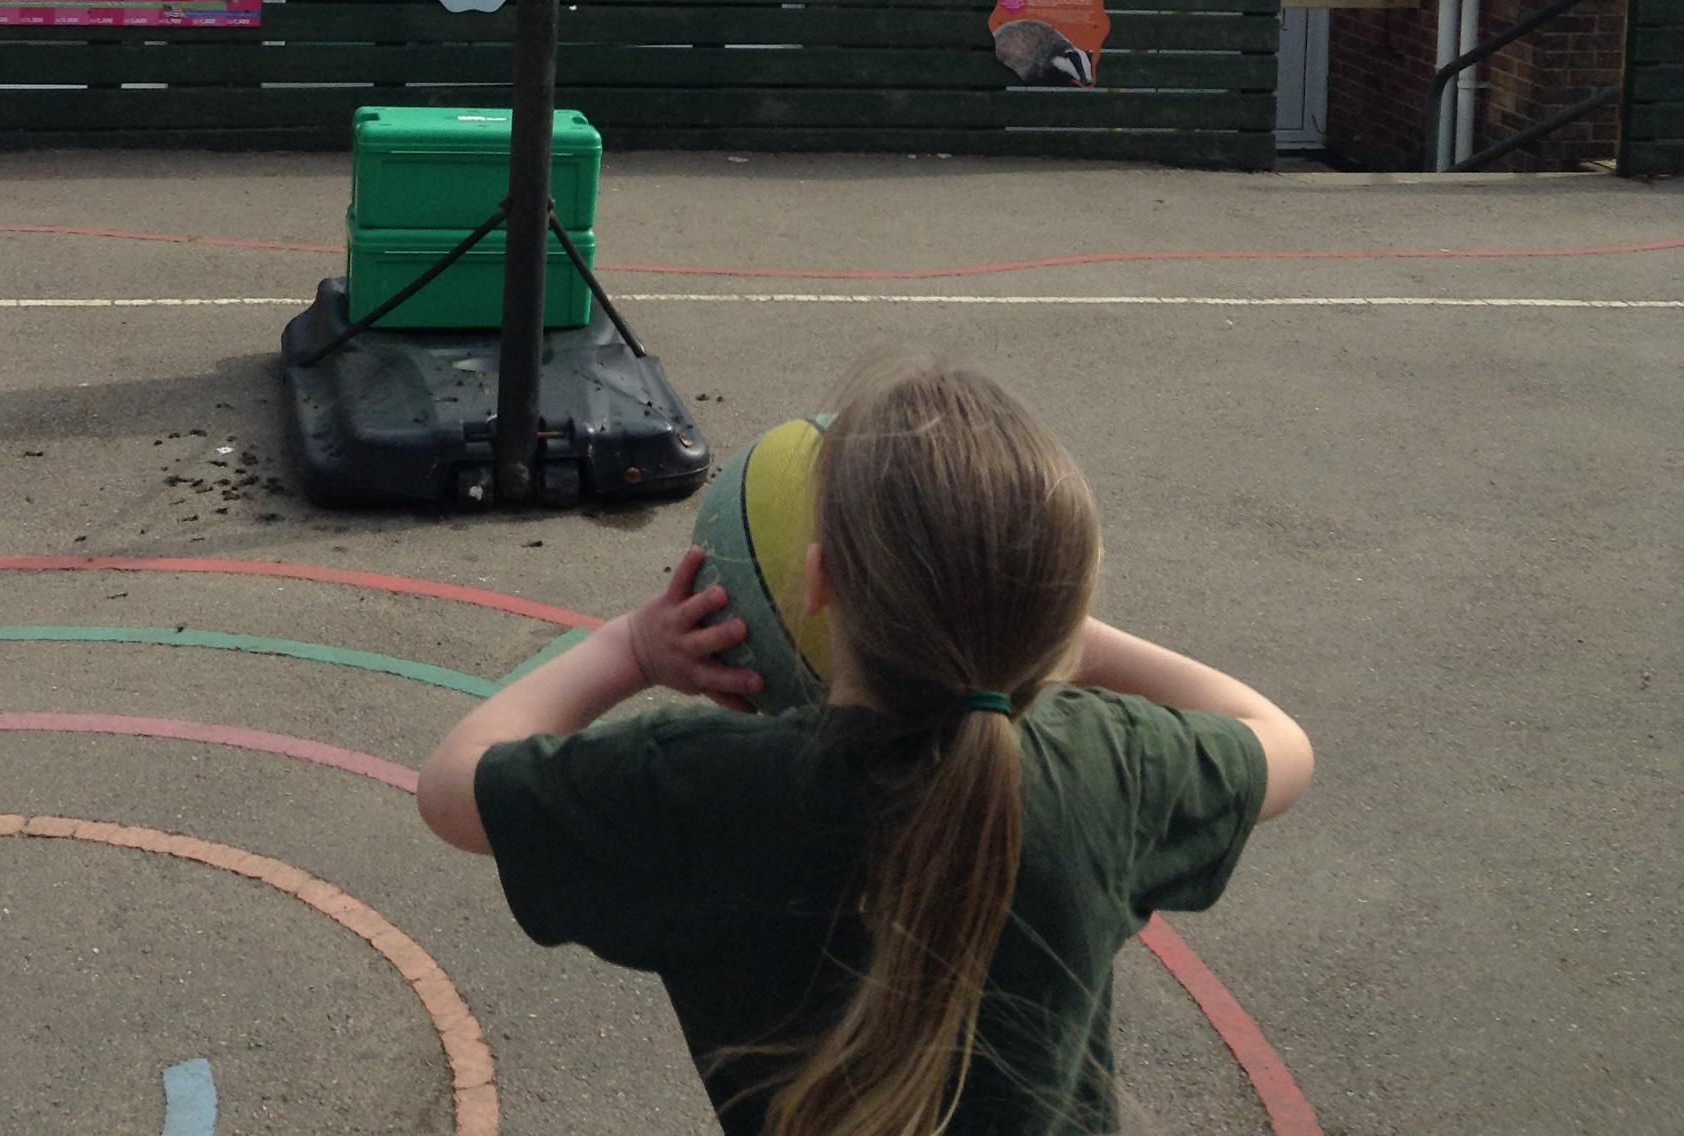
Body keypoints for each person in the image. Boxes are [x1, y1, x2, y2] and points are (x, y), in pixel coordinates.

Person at [418, 360, 1313, 1136]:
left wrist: (633, 650)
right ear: (1063, 598)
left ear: (818, 584)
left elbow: (453, 788)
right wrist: (1062, 633)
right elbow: (1279, 742)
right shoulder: (1104, 770)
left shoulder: (704, 789)